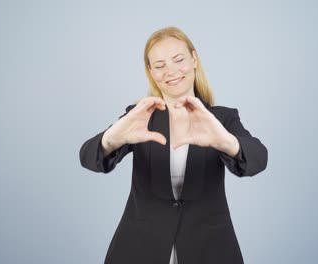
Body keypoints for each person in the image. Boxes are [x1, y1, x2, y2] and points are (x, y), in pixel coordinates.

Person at [79, 26, 268, 264]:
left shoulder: (222, 119)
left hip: (209, 248)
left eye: (178, 59)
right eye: (159, 65)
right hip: (139, 247)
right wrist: (111, 139)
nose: (171, 71)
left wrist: (227, 142)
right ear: (150, 71)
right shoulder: (139, 116)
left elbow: (259, 158)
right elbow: (86, 157)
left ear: (194, 59)